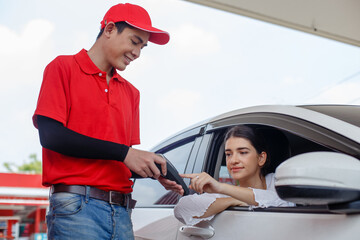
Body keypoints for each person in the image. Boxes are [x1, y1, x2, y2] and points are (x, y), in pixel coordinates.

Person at [33, 3, 183, 240]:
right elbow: (51, 136)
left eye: (143, 47)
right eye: (135, 42)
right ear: (110, 29)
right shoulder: (62, 68)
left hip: (121, 213)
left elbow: (121, 161)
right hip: (77, 209)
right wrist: (125, 153)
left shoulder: (132, 93)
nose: (137, 53)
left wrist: (155, 172)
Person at [174, 125, 294, 226]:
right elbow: (181, 209)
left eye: (243, 152)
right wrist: (233, 200)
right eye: (228, 154)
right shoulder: (224, 193)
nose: (233, 160)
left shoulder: (279, 181)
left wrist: (222, 188)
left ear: (261, 158)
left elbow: (281, 202)